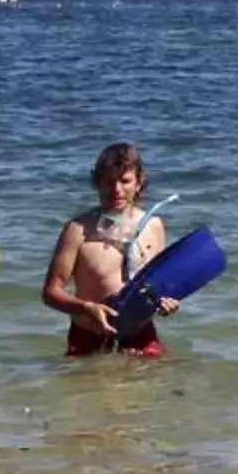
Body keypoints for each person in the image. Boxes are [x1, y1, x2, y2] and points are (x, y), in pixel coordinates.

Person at [42, 142, 179, 358]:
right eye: (108, 181)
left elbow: (157, 287)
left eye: (125, 181)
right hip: (88, 337)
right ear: (97, 182)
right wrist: (86, 308)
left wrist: (165, 302)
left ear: (139, 182)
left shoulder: (153, 226)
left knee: (164, 388)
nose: (116, 190)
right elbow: (50, 293)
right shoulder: (78, 230)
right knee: (88, 392)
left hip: (141, 335)